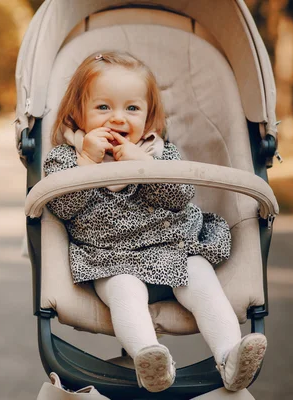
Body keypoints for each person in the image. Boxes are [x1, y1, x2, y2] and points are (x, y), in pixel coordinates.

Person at [44, 51, 267, 393]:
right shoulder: (66, 157)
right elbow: (63, 209)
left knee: (202, 279)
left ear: (149, 117)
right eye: (103, 107)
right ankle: (150, 359)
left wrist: (146, 168)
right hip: (110, 260)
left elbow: (179, 197)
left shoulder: (160, 153)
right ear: (77, 113)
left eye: (131, 109)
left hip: (173, 250)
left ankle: (229, 355)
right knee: (124, 292)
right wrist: (87, 161)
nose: (117, 118)